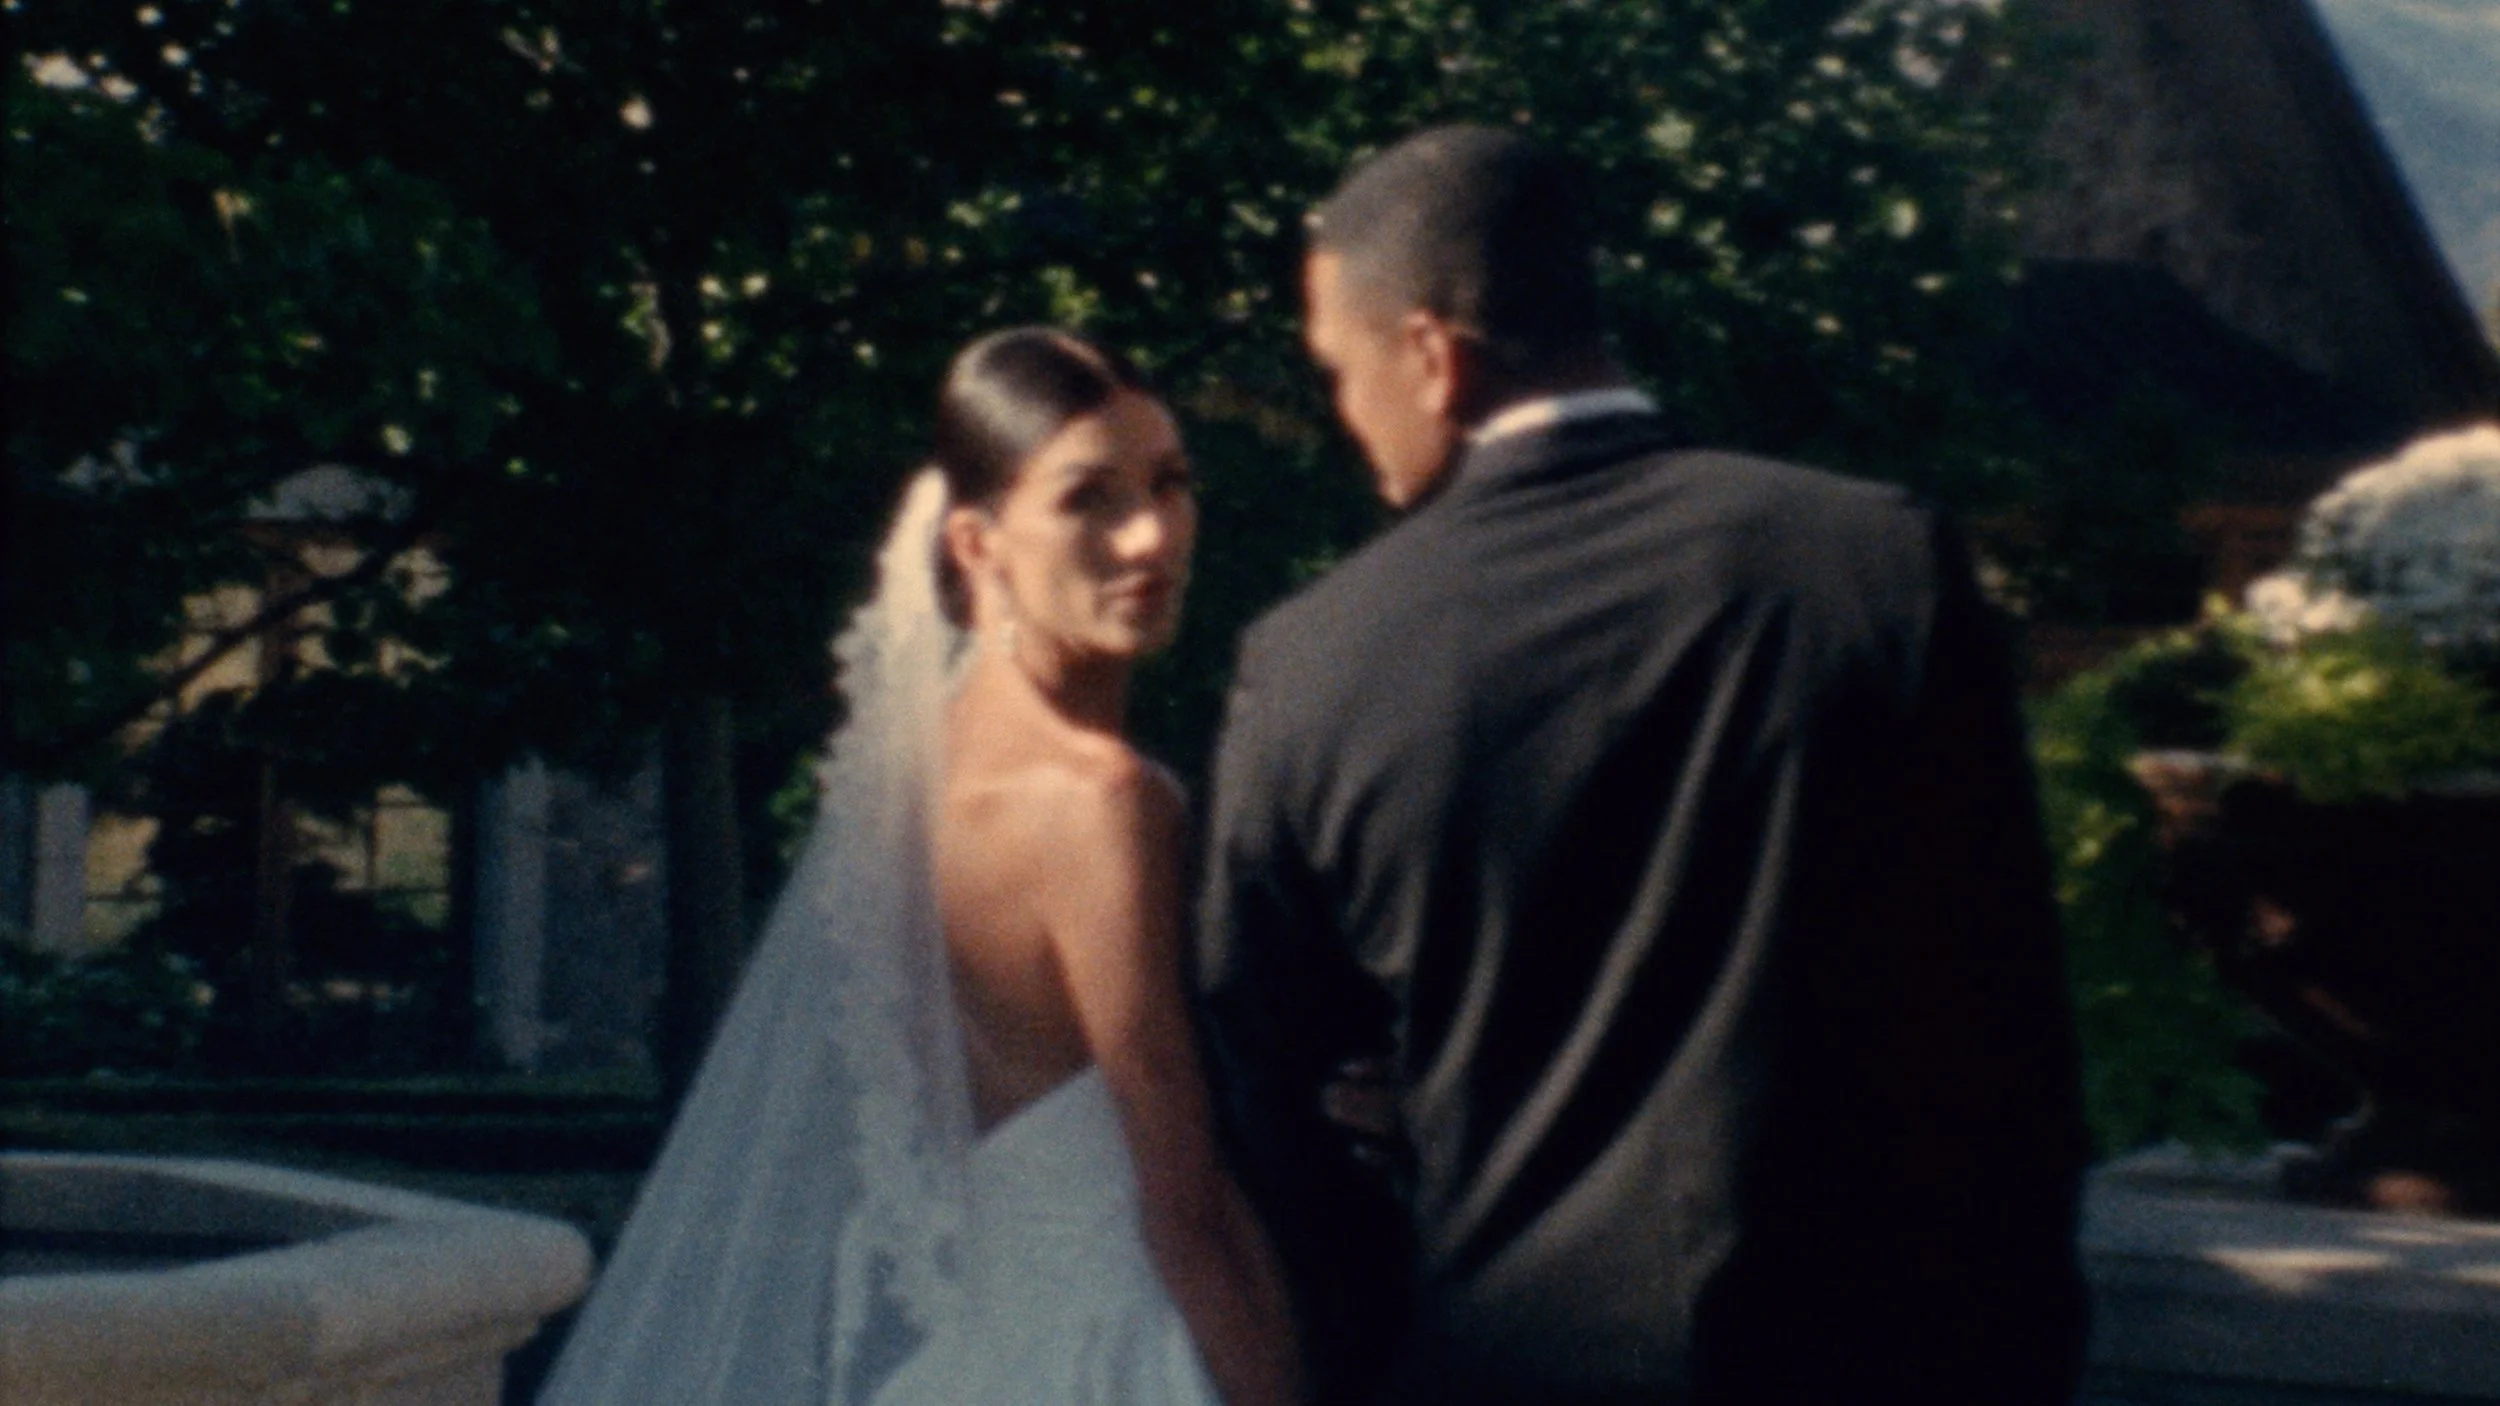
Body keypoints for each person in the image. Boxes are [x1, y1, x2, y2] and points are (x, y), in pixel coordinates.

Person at [1196, 125, 2092, 1404]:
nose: (1345, 418)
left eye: (1338, 373)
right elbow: (2006, 1033)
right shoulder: (1876, 565)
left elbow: (1268, 1087)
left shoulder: (1312, 662)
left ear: (1430, 359)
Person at [539, 328, 1302, 1406]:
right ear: (976, 542)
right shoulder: (1103, 804)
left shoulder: (901, 786)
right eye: (1089, 498)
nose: (1149, 538)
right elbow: (1187, 1210)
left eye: (1170, 485)